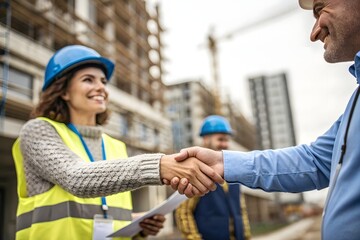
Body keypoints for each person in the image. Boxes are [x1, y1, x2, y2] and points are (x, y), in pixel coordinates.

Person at [170, 0, 360, 239]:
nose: (313, 33)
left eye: (319, 9)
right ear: (205, 138)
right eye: (219, 139)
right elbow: (315, 161)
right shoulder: (355, 103)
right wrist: (224, 163)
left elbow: (240, 214)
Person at [12, 45, 223, 240]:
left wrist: (137, 225)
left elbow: (100, 216)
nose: (100, 87)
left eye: (103, 81)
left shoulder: (115, 146)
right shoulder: (39, 131)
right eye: (88, 79)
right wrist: (160, 166)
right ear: (64, 91)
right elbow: (75, 178)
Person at [175, 115, 251, 240]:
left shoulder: (233, 172)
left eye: (227, 140)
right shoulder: (193, 171)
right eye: (220, 139)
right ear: (206, 139)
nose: (225, 144)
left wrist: (247, 236)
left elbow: (241, 211)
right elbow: (183, 212)